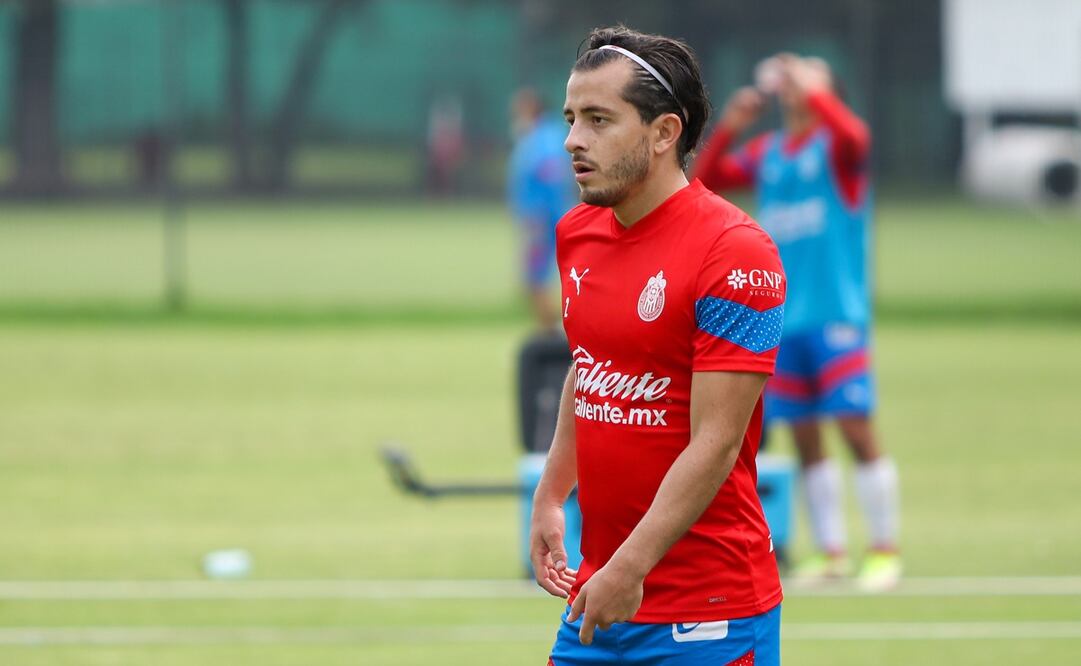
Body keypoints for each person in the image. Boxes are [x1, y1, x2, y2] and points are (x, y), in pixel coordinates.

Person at [530, 26, 786, 665]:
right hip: (601, 598)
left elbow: (717, 441)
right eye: (570, 119)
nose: (572, 141)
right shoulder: (577, 232)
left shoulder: (736, 252)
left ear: (664, 132)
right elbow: (590, 368)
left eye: (598, 119)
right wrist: (550, 493)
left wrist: (629, 566)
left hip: (709, 615)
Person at [692, 54, 902, 591]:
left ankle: (883, 549)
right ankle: (830, 551)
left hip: (837, 317)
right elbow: (709, 180)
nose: (796, 84)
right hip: (785, 321)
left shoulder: (838, 148)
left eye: (811, 76)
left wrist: (818, 89)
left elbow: (856, 134)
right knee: (806, 438)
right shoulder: (769, 153)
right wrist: (734, 124)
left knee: (855, 430)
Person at [508, 88, 577, 331]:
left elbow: (553, 178)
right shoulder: (535, 136)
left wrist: (537, 216)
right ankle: (553, 333)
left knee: (534, 280)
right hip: (542, 220)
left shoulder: (543, 139)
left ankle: (555, 335)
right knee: (534, 281)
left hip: (544, 221)